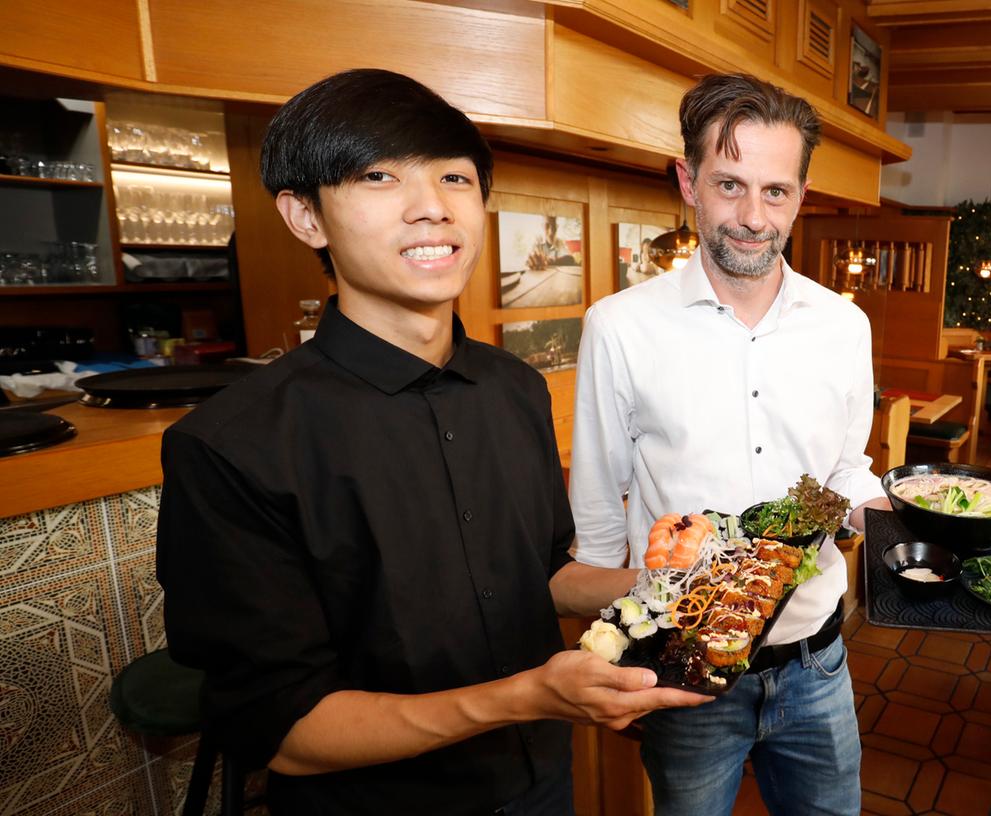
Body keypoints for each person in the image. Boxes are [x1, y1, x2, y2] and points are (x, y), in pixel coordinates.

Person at [156, 69, 707, 816]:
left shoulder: (515, 387)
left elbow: (540, 572)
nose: (431, 209)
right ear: (305, 216)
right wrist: (525, 696)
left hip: (540, 781)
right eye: (378, 177)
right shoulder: (230, 445)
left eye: (454, 177)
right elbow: (282, 731)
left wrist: (675, 589)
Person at [570, 72, 891, 815]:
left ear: (801, 196)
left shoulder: (844, 325)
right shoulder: (619, 325)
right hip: (685, 669)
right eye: (729, 185)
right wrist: (613, 646)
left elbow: (845, 469)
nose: (752, 216)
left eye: (775, 191)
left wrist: (904, 530)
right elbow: (596, 502)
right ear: (688, 182)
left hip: (818, 660)